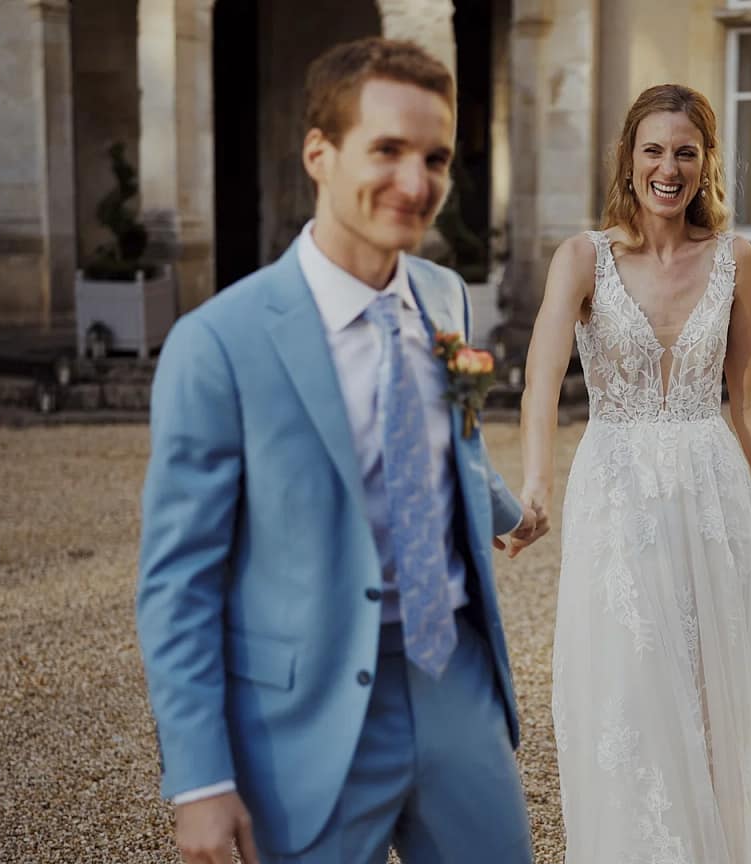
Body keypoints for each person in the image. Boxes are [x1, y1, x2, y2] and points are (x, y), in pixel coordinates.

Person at [137, 37, 545, 864]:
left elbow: (447, 446)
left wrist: (508, 508)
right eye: (388, 150)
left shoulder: (444, 297)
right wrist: (200, 782)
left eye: (434, 156)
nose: (416, 182)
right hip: (308, 716)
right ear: (319, 154)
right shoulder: (218, 343)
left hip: (455, 678)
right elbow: (177, 582)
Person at [518, 83, 751, 863]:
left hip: (713, 493)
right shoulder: (582, 259)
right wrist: (535, 486)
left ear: (705, 164)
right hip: (617, 492)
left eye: (684, 152)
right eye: (652, 151)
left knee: (715, 689)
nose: (667, 168)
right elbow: (540, 381)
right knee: (630, 685)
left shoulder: (733, 257)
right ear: (628, 160)